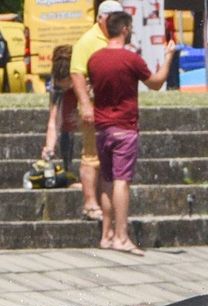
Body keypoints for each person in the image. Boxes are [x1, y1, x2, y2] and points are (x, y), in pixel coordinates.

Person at [87, 11, 176, 255]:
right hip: (124, 128)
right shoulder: (130, 59)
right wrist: (168, 57)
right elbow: (156, 83)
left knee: (106, 180)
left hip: (102, 128)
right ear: (124, 29)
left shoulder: (94, 59)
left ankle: (106, 235)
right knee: (121, 182)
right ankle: (121, 236)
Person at [71, 0, 125, 222]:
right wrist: (84, 103)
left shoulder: (112, 39)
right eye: (113, 18)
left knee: (108, 158)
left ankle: (107, 203)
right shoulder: (88, 40)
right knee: (92, 156)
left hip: (112, 107)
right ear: (101, 18)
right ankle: (89, 203)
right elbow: (76, 74)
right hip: (94, 107)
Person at [42, 45, 78, 174]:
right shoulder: (55, 83)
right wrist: (49, 148)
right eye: (60, 86)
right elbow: (53, 120)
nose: (64, 89)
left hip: (84, 86)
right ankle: (68, 168)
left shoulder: (83, 73)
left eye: (67, 84)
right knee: (66, 123)